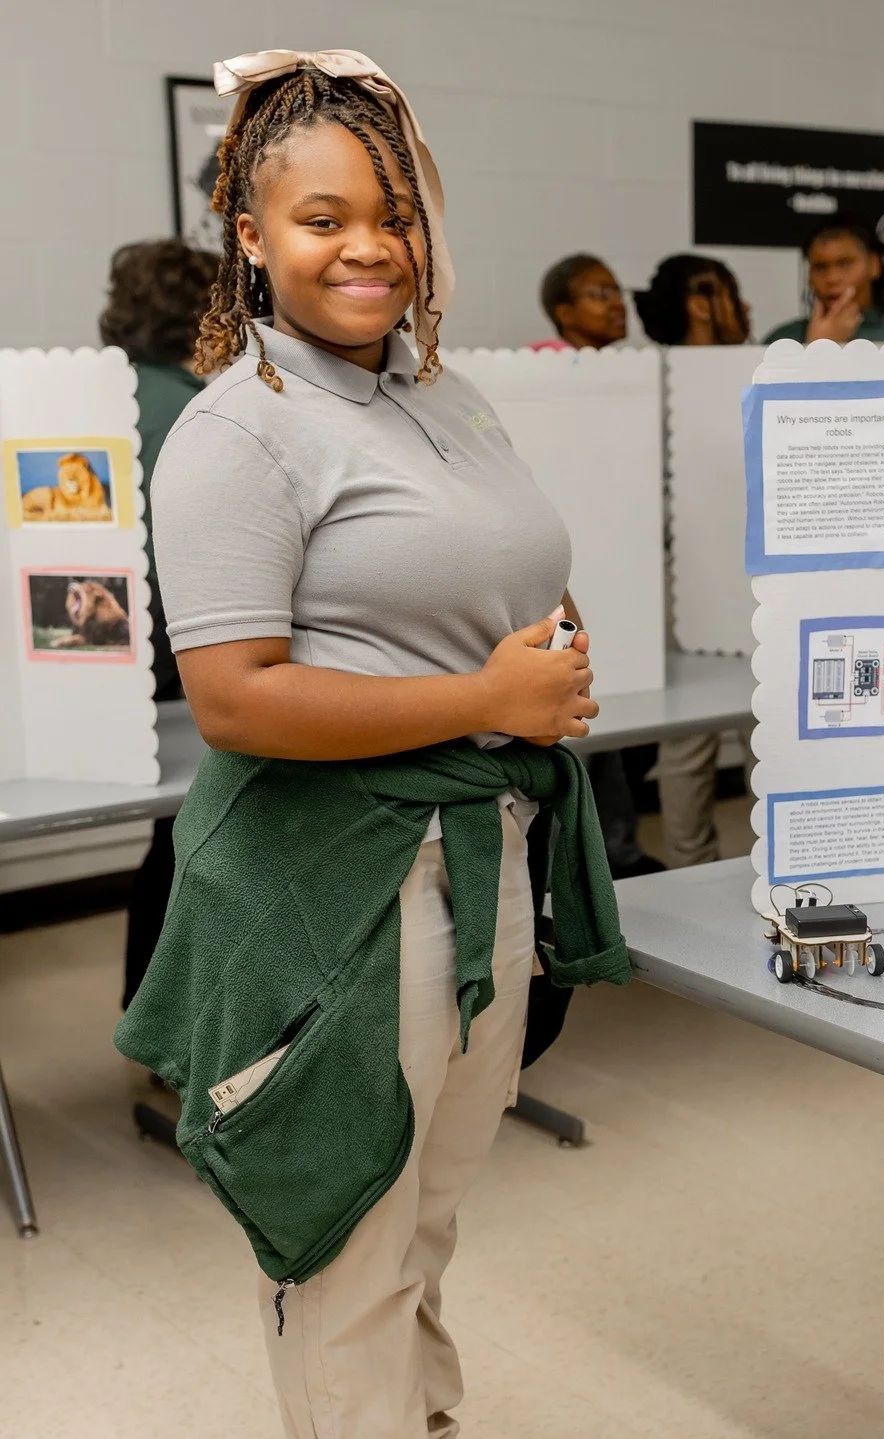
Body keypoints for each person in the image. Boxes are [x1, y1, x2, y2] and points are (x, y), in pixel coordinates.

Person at [113, 50, 627, 1439]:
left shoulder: (444, 393)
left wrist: (540, 631)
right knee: (343, 1227)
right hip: (340, 887)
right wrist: (486, 695)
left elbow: (496, 566)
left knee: (428, 1210)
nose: (366, 246)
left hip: (484, 852)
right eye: (322, 217)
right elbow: (234, 698)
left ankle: (419, 1415)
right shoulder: (240, 432)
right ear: (251, 235)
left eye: (392, 214)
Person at [100, 239, 219, 1011]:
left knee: (172, 839)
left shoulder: (102, 396)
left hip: (108, 664)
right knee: (193, 839)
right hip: (182, 662)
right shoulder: (203, 411)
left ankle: (148, 1013)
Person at [530, 250, 663, 876]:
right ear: (561, 311)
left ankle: (618, 852)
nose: (615, 303)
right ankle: (585, 864)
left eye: (617, 290)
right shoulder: (545, 375)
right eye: (595, 293)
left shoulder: (638, 377)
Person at [634, 254, 753, 866]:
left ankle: (782, 874)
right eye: (725, 293)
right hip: (690, 574)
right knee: (691, 733)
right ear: (699, 303)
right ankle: (691, 868)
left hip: (759, 572)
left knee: (768, 726)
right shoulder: (654, 377)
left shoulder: (758, 366)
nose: (745, 307)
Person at [763, 215, 884, 345]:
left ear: (874, 265)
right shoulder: (782, 341)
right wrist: (816, 345)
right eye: (820, 267)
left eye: (845, 264)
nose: (832, 278)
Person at [532, 251, 627, 350]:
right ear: (566, 314)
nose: (618, 304)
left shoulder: (611, 362)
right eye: (603, 295)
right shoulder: (542, 363)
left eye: (618, 293)